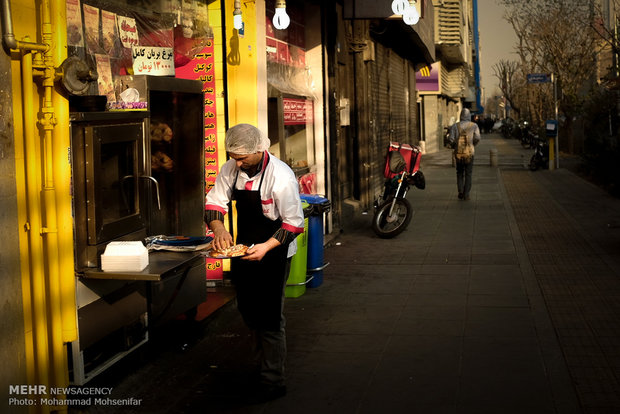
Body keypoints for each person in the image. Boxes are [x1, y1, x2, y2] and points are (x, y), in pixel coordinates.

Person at [204, 123, 304, 402]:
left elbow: (294, 223)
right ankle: (261, 367)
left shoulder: (281, 176)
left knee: (270, 315)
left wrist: (267, 247)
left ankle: (273, 380)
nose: (237, 162)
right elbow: (214, 203)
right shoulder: (230, 169)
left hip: (275, 249)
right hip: (243, 248)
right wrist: (219, 229)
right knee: (248, 309)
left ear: (260, 150)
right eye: (233, 156)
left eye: (242, 157)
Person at [449, 108, 481, 201]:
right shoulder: (474, 125)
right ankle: (466, 194)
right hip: (470, 153)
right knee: (468, 173)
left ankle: (460, 192)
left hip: (458, 153)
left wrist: (456, 145)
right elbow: (478, 137)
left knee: (459, 173)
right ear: (469, 116)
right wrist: (472, 144)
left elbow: (451, 139)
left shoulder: (455, 126)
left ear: (461, 115)